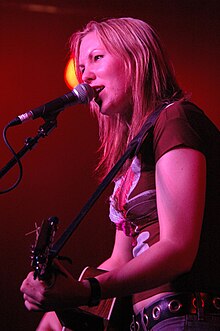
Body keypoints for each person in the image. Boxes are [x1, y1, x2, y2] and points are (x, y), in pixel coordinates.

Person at [20, 17, 220, 331]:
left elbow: (178, 249)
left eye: (97, 58)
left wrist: (87, 291)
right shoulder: (135, 148)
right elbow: (121, 259)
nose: (85, 76)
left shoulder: (175, 119)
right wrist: (61, 301)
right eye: (81, 67)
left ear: (136, 58)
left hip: (187, 315)